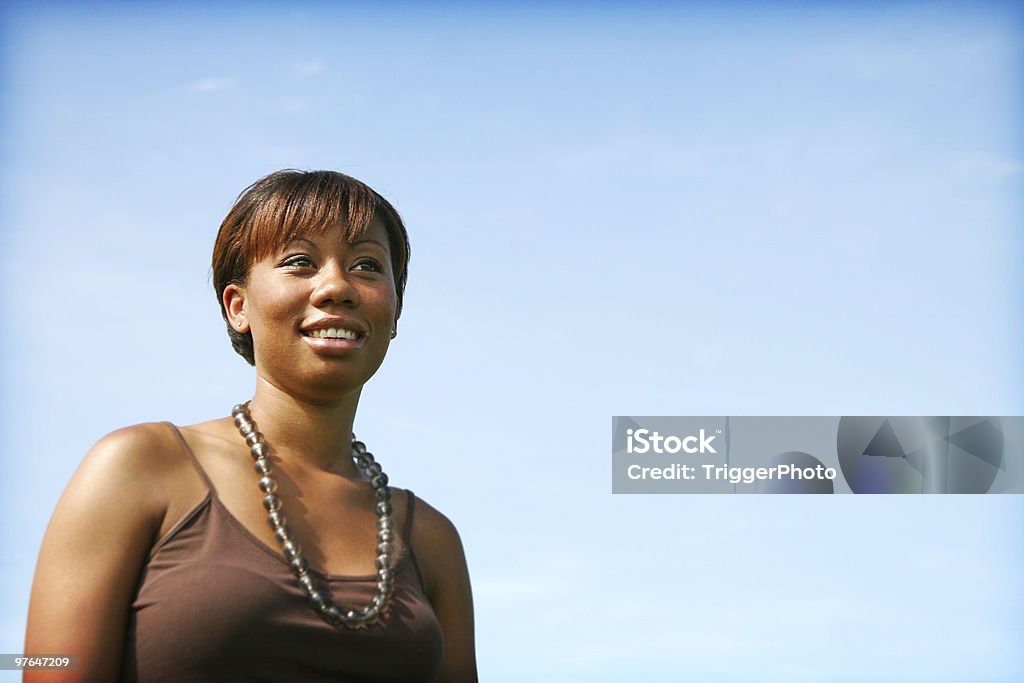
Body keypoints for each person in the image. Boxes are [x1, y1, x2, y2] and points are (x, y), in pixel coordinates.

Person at [24, 170, 477, 682]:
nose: (336, 287)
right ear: (238, 306)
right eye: (300, 262)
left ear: (394, 314)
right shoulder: (140, 466)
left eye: (368, 266)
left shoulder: (431, 541)